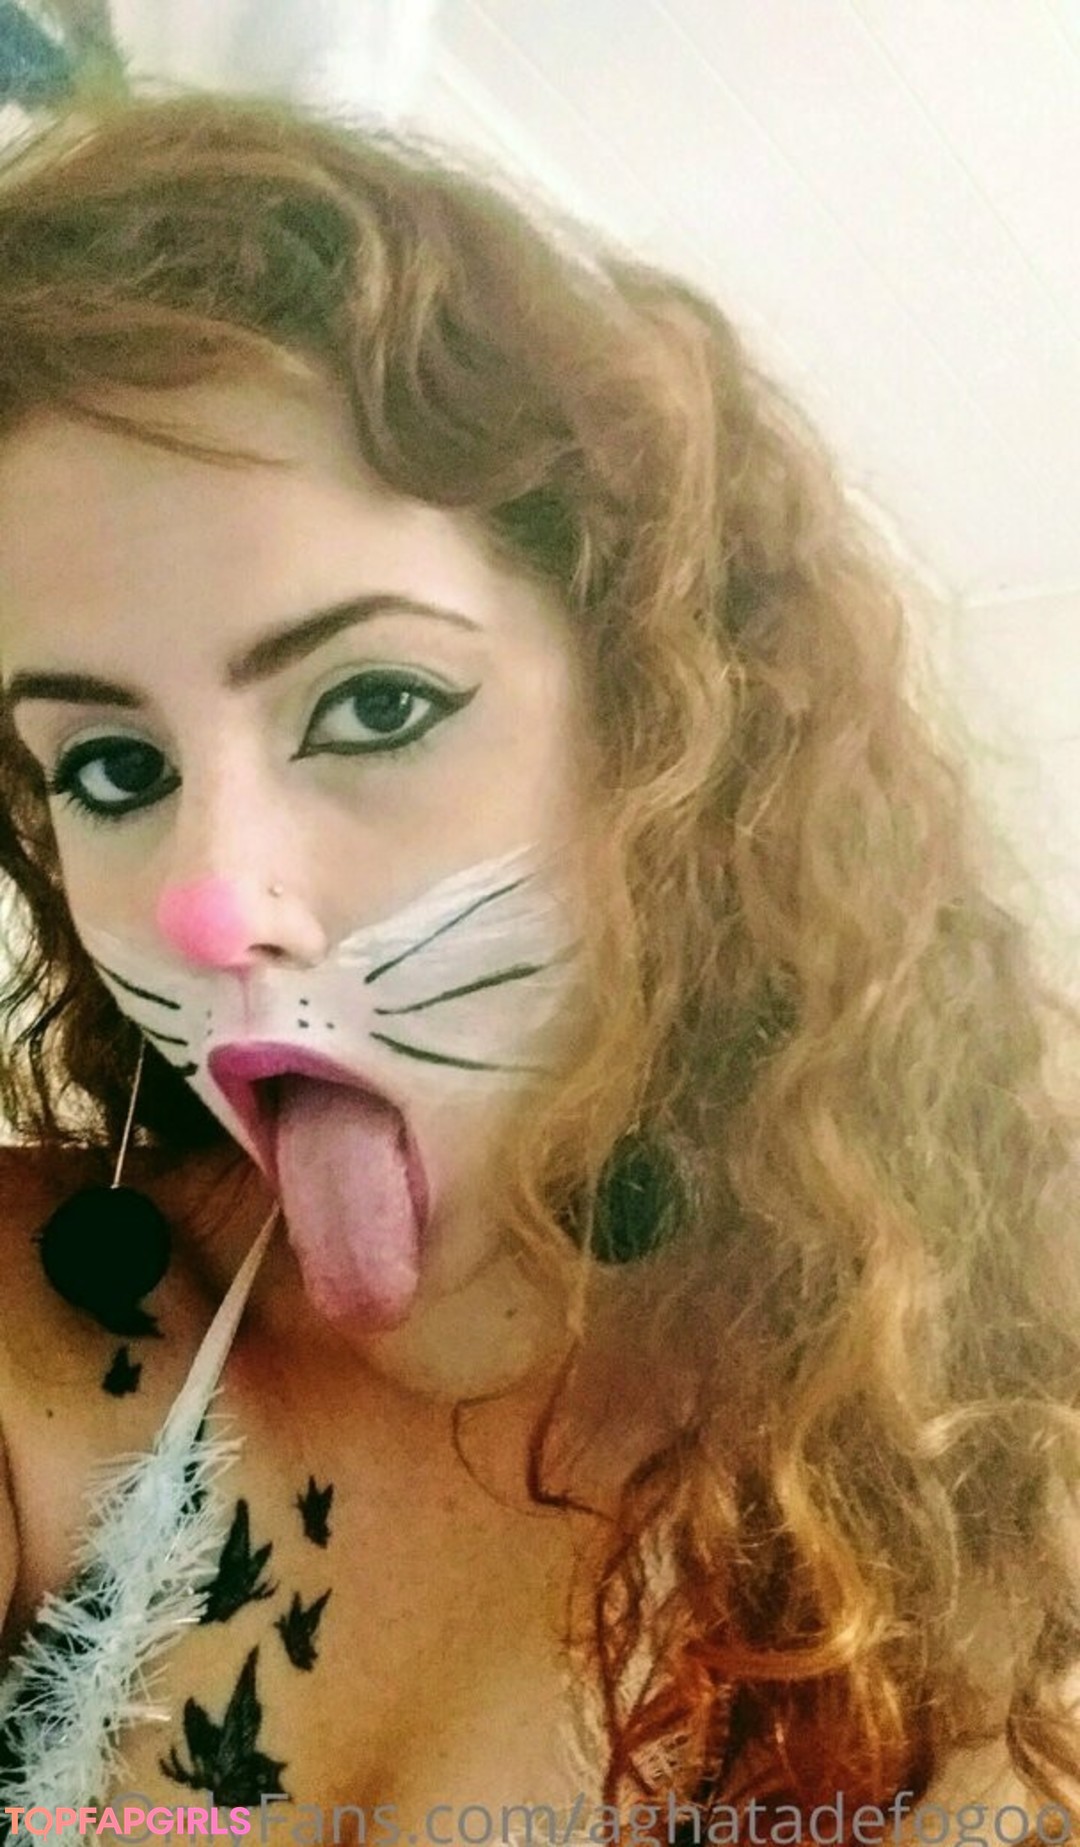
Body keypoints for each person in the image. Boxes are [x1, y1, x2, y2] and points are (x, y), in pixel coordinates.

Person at [0, 84, 1076, 1841]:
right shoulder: (38, 1325)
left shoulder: (983, 1489)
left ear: (662, 738)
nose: (211, 901)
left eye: (375, 704)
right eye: (115, 768)